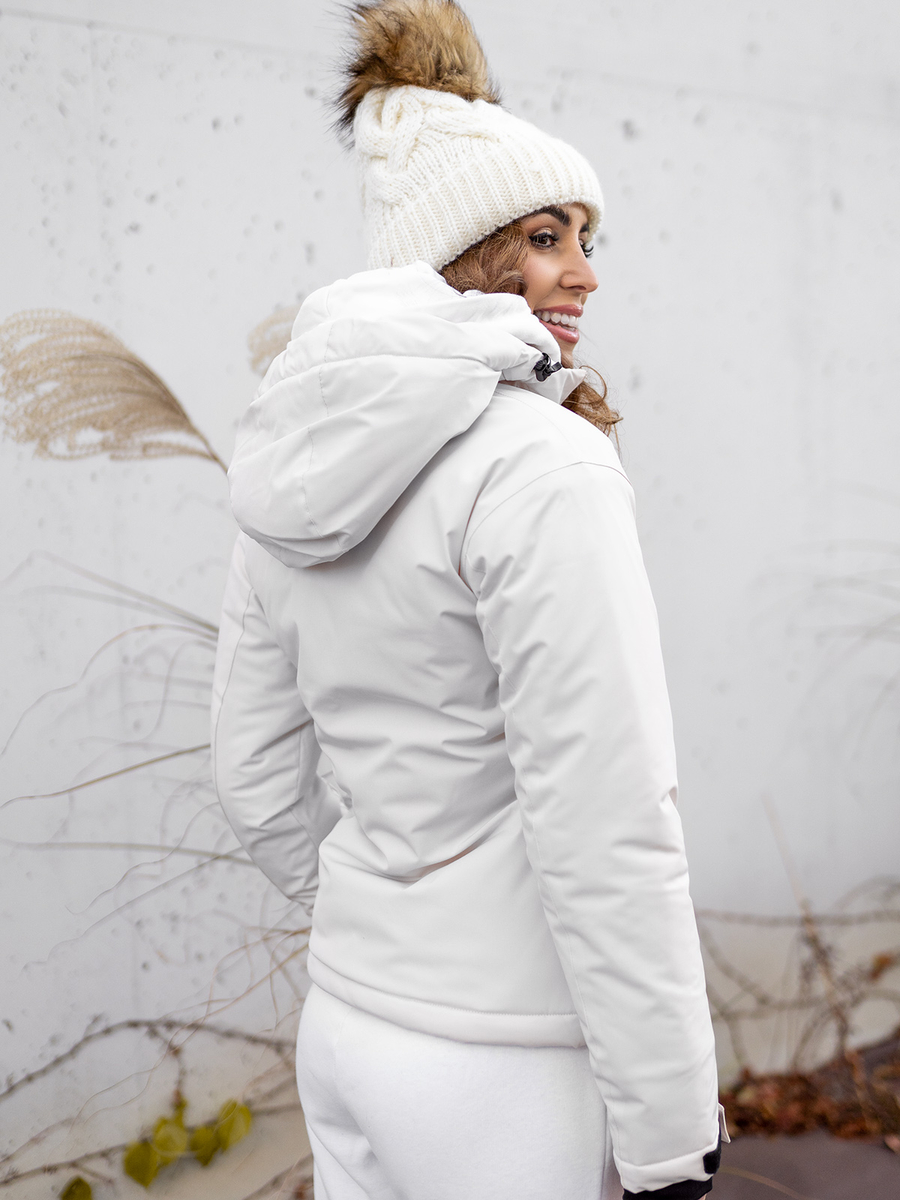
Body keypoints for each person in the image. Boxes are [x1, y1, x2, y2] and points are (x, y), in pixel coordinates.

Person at [211, 2, 726, 1197]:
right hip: (505, 1070)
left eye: (585, 236)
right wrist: (668, 1130)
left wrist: (382, 920)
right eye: (546, 237)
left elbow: (250, 773)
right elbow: (607, 815)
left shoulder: (286, 456)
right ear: (462, 255)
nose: (584, 272)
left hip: (348, 1028)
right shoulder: (542, 465)